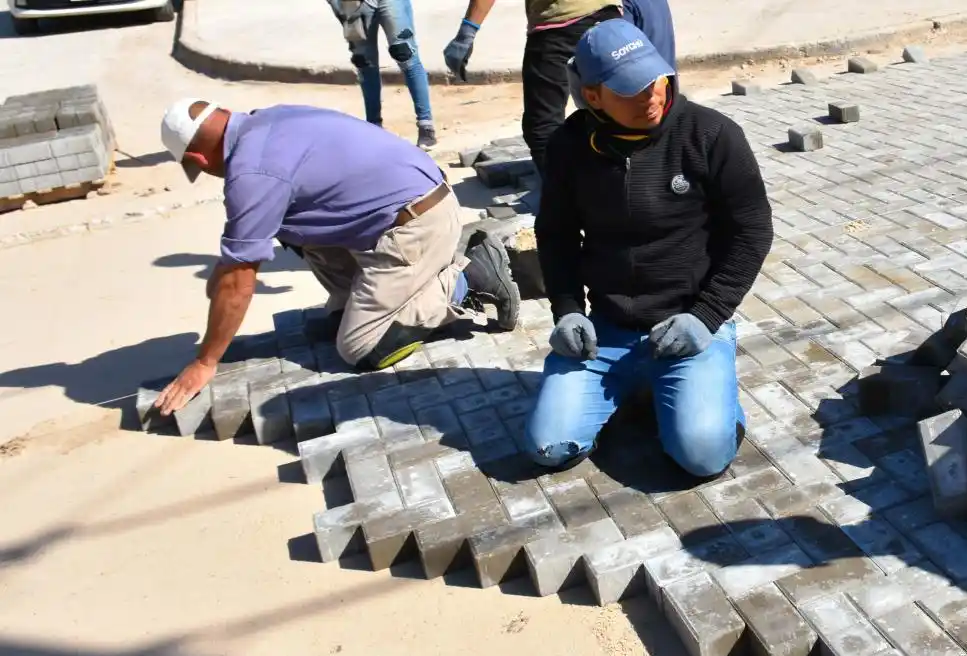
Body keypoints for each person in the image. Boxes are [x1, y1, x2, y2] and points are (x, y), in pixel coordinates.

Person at [151, 99, 518, 417]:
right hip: (412, 205)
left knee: (360, 348)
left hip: (416, 224)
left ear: (198, 158)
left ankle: (469, 279)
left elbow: (239, 281)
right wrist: (226, 271)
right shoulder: (269, 120)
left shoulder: (253, 173)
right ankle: (386, 295)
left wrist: (205, 362)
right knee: (308, 259)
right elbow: (237, 253)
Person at [524, 20, 772, 478]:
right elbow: (556, 234)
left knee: (702, 456)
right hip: (607, 332)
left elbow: (752, 232)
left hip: (688, 324)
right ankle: (637, 383)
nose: (652, 96)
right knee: (548, 447)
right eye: (631, 89)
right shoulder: (568, 146)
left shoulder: (712, 135)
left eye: (655, 79)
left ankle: (705, 388)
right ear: (594, 95)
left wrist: (708, 316)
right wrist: (567, 311)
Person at [444, 0, 675, 175]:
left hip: (561, 22)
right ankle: (638, 179)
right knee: (618, 106)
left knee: (542, 125)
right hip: (610, 16)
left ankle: (568, 204)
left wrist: (467, 31)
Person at [327, 0, 438, 149]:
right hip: (353, 4)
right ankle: (374, 128)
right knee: (365, 63)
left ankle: (426, 125)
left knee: (405, 53)